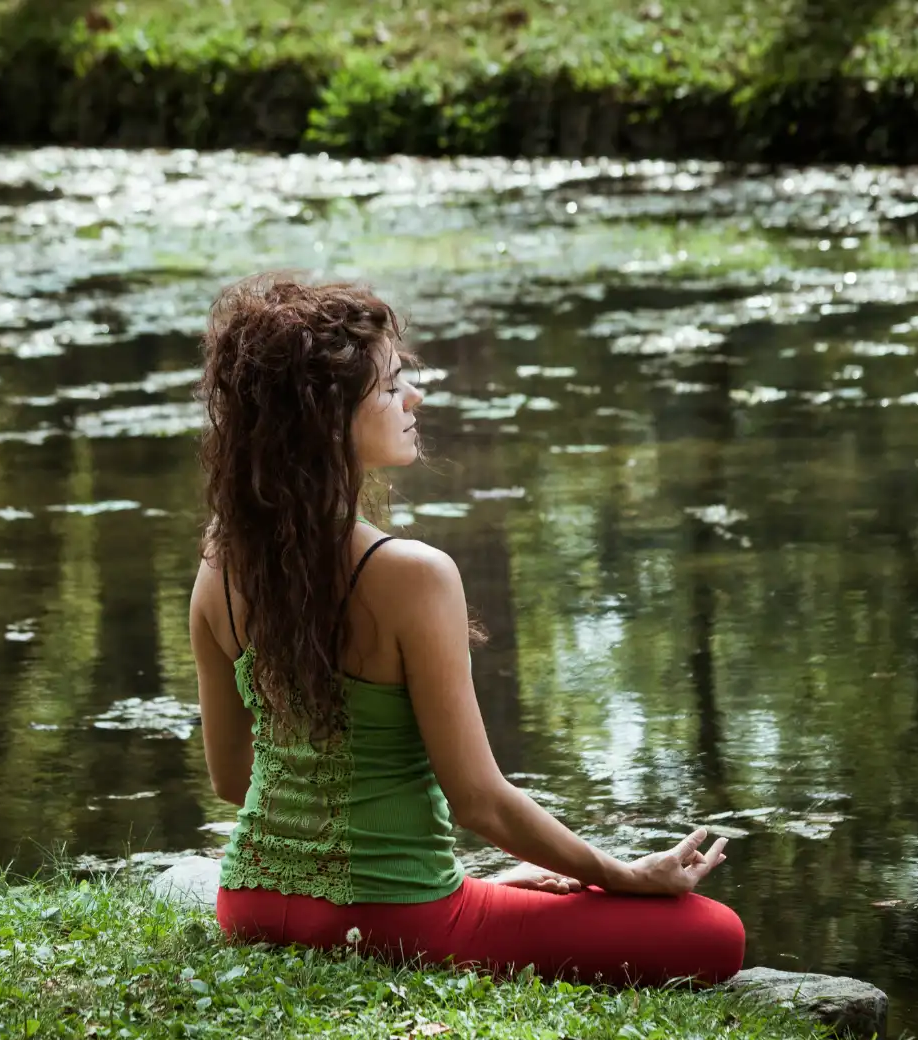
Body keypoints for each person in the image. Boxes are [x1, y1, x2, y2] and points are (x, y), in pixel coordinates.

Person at [187, 274, 745, 986]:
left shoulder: (218, 560)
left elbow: (235, 781)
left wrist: (493, 884)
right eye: (390, 388)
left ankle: (479, 894)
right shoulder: (413, 574)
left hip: (252, 908)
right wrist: (621, 874)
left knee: (513, 892)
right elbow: (478, 800)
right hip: (397, 920)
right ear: (328, 418)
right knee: (714, 935)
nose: (413, 399)